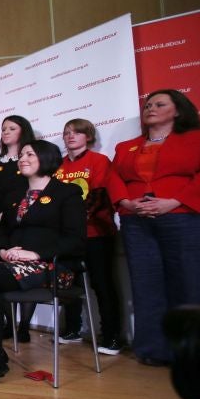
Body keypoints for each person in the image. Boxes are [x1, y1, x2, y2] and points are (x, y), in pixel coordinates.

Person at [0, 140, 85, 386]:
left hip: (52, 266)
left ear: (46, 158)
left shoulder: (67, 193)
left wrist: (36, 254)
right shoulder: (15, 195)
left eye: (29, 154)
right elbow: (2, 232)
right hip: (12, 265)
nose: (22, 158)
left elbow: (75, 240)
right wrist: (3, 250)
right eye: (22, 154)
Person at [108, 89, 200, 367]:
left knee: (191, 283)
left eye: (159, 104)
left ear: (178, 110)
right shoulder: (125, 146)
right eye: (148, 104)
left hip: (186, 218)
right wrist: (127, 202)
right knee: (146, 284)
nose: (151, 108)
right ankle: (153, 349)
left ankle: (194, 352)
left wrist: (174, 202)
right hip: (137, 221)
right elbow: (114, 177)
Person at [54, 119, 122, 355]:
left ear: (89, 137)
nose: (70, 136)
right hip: (67, 237)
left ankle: (112, 336)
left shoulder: (99, 161)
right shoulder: (58, 166)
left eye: (77, 132)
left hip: (96, 232)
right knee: (68, 282)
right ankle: (72, 328)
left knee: (101, 284)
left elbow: (99, 196)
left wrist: (71, 220)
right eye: (66, 132)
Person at [0, 115, 35, 342]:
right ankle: (9, 323)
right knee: (2, 270)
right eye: (3, 128)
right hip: (1, 224)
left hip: (27, 222)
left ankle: (24, 326)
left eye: (11, 128)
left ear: (22, 131)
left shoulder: (30, 160)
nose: (5, 132)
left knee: (25, 269)